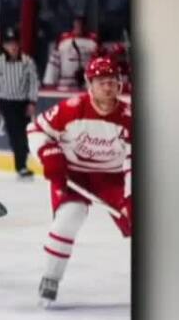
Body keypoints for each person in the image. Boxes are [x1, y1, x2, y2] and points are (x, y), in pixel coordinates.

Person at [28, 56, 131, 306]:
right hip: (74, 175)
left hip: (113, 177)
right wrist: (48, 153)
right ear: (89, 84)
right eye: (101, 82)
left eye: (112, 81)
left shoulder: (129, 118)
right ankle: (51, 278)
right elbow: (36, 129)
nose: (108, 87)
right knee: (68, 218)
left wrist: (130, 197)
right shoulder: (71, 109)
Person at [0, 27, 41, 179]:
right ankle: (21, 166)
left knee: (24, 134)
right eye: (10, 44)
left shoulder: (27, 61)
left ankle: (22, 164)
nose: (13, 47)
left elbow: (34, 82)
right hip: (7, 103)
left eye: (15, 43)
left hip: (23, 102)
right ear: (4, 46)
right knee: (16, 134)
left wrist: (32, 101)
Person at [43, 15, 100, 90]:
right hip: (65, 84)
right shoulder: (63, 41)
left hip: (87, 83)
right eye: (77, 24)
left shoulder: (93, 42)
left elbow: (98, 62)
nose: (79, 27)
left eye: (81, 24)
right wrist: (50, 82)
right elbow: (54, 62)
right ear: (73, 25)